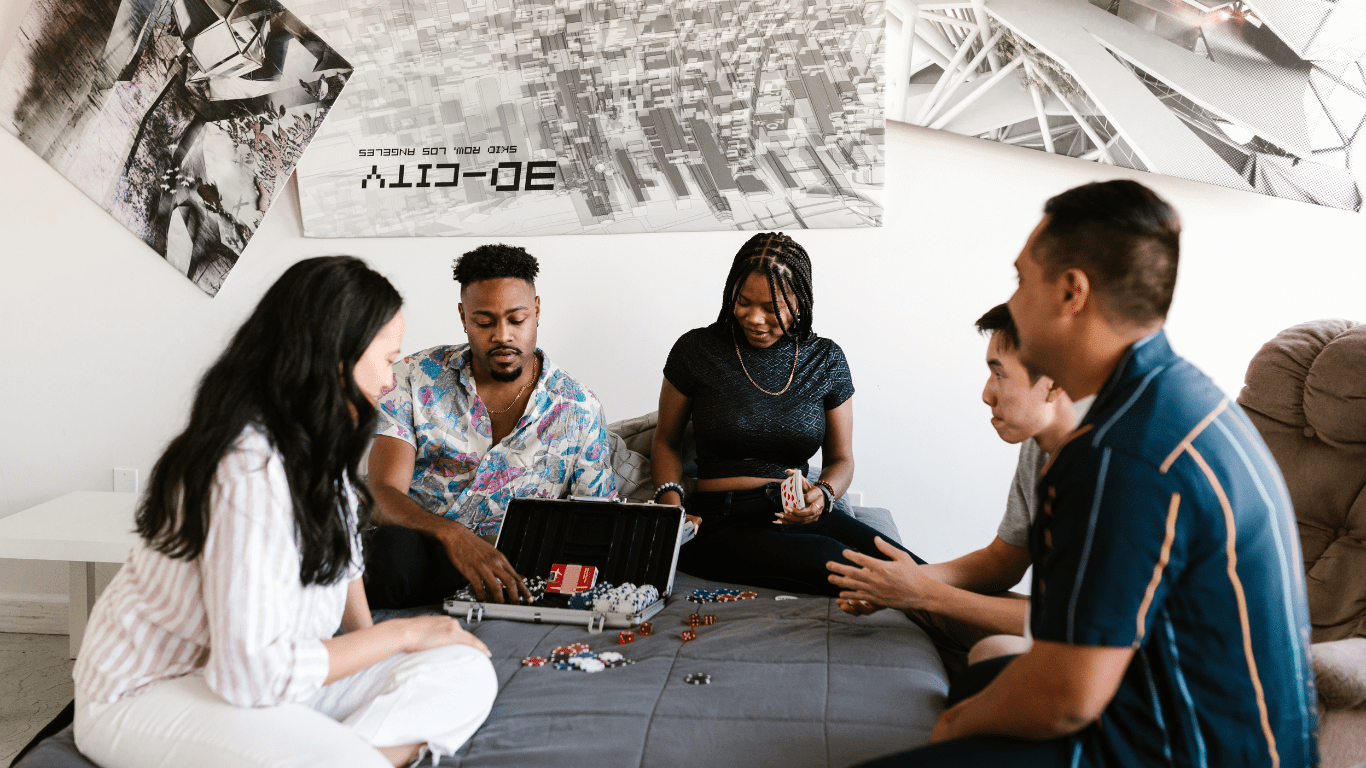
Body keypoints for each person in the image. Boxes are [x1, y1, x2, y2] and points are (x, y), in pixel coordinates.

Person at [859, 180, 1317, 768]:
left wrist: (955, 727)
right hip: (1238, 733)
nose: (1015, 302)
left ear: (1072, 292)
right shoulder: (1187, 399)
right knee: (984, 684)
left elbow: (1065, 697)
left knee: (956, 719)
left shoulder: (1117, 455)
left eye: (1022, 280)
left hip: (1183, 750)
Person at [73, 256, 497, 768]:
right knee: (371, 720)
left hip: (272, 683)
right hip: (155, 691)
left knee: (465, 668)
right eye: (387, 359)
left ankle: (351, 756)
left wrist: (378, 646)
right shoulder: (246, 469)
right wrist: (402, 633)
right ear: (338, 356)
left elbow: (344, 566)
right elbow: (249, 674)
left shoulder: (316, 440)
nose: (390, 380)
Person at [651, 231, 924, 596]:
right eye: (743, 301)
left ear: (800, 302)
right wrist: (673, 512)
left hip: (795, 512)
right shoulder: (696, 350)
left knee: (909, 566)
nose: (754, 318)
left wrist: (824, 495)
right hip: (720, 523)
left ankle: (1003, 628)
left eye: (772, 308)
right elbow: (665, 441)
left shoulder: (825, 360)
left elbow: (842, 460)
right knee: (841, 562)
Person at [828, 303, 1075, 678]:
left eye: (999, 374)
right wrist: (906, 579)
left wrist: (921, 591)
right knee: (922, 609)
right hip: (1058, 621)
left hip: (1101, 648)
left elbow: (1071, 620)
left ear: (1054, 383)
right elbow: (1002, 562)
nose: (986, 394)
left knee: (989, 648)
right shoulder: (1036, 447)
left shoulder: (1105, 464)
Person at [365, 244, 616, 609]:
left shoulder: (579, 408)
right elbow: (383, 493)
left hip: (518, 556)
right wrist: (454, 536)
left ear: (537, 312)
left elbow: (597, 517)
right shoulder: (413, 377)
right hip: (425, 542)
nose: (502, 335)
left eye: (517, 320)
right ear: (463, 316)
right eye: (484, 322)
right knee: (390, 555)